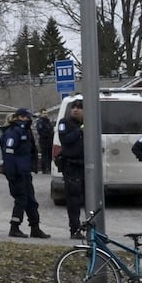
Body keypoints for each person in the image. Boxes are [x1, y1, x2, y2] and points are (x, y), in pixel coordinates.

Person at [0, 107, 46, 238]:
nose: (29, 119)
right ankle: (14, 227)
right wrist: (11, 172)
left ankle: (35, 227)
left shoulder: (26, 131)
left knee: (31, 200)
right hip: (17, 172)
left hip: (25, 171)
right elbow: (8, 153)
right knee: (21, 199)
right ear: (20, 117)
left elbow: (30, 152)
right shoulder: (14, 132)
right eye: (26, 117)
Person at [55, 98, 89, 240]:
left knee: (90, 199)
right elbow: (65, 140)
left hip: (86, 165)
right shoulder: (65, 123)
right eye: (73, 107)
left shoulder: (89, 123)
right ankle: (74, 229)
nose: (76, 109)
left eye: (79, 107)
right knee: (73, 200)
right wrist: (80, 131)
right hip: (72, 165)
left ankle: (91, 229)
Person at [34, 109, 55, 179]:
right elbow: (41, 131)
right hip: (44, 140)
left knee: (49, 155)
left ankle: (49, 168)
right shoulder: (40, 122)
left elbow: (51, 130)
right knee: (44, 155)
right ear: (41, 114)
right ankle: (44, 169)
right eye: (44, 113)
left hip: (50, 140)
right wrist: (48, 134)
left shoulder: (48, 121)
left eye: (46, 113)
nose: (45, 114)